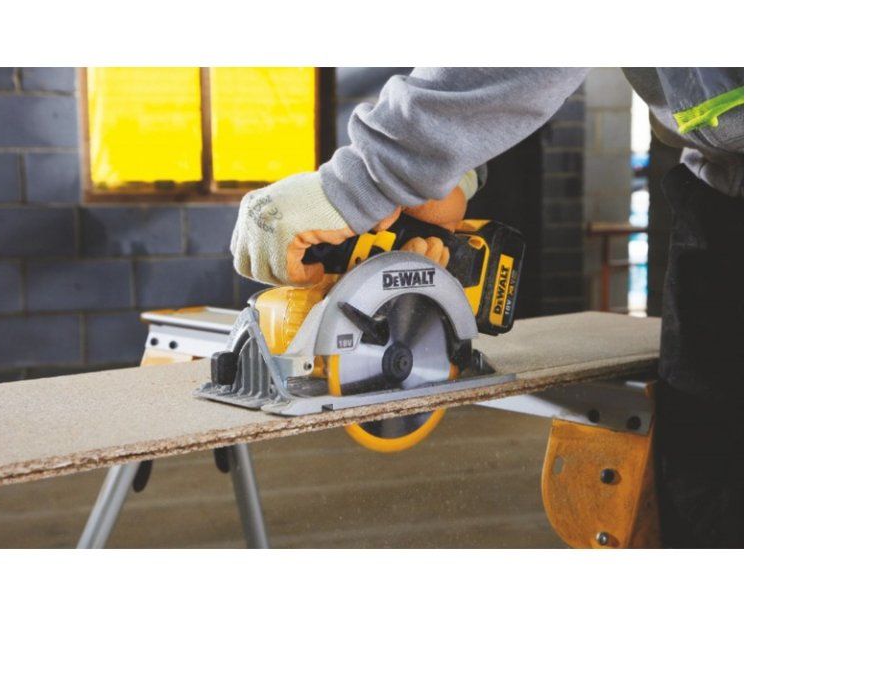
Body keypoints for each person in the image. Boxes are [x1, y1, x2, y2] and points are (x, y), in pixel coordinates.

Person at [231, 68, 744, 548]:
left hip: (730, 197)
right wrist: (451, 174)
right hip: (719, 195)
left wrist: (363, 180)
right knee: (708, 497)